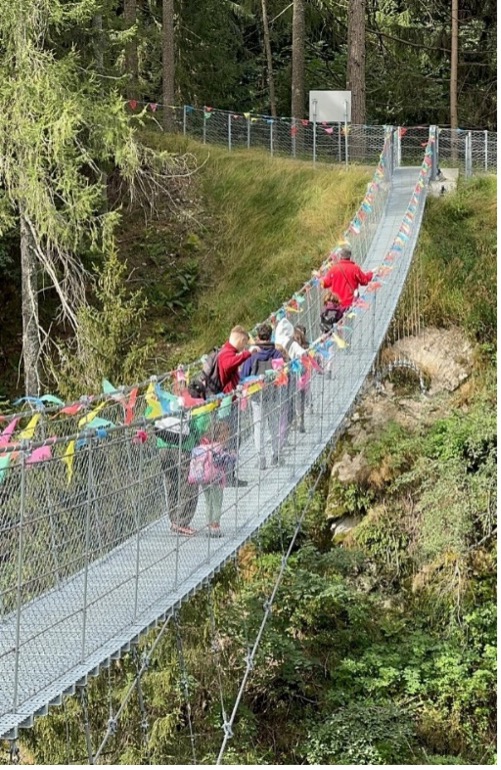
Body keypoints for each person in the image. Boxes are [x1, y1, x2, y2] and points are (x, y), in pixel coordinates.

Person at [152, 382, 210, 536]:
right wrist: (196, 438)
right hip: (184, 447)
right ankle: (181, 522)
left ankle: (174, 519)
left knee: (171, 482)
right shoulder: (193, 403)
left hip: (163, 447)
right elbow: (202, 424)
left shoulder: (162, 399)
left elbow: (151, 417)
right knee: (189, 484)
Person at [240, 322, 284, 470]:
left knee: (258, 427)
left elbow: (243, 375)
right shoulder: (277, 353)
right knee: (273, 425)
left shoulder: (253, 355)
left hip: (256, 395)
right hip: (272, 394)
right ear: (270, 336)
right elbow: (281, 373)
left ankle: (261, 459)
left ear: (258, 337)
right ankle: (276, 455)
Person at [188, 421, 235, 537]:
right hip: (216, 479)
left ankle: (209, 525)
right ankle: (216, 526)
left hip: (204, 478)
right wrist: (232, 456)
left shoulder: (204, 447)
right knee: (217, 502)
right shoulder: (219, 448)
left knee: (208, 501)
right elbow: (225, 462)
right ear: (222, 435)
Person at [316, 246, 373, 324]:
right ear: (350, 257)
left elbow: (325, 284)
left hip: (336, 305)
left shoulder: (334, 269)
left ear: (340, 256)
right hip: (350, 305)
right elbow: (364, 281)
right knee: (349, 326)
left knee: (337, 326)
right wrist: (371, 274)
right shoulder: (355, 269)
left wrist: (319, 278)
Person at [274, 318, 308, 438]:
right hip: (292, 375)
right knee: (291, 401)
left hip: (277, 379)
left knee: (281, 406)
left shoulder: (275, 343)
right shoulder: (291, 342)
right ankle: (285, 433)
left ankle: (279, 434)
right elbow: (303, 353)